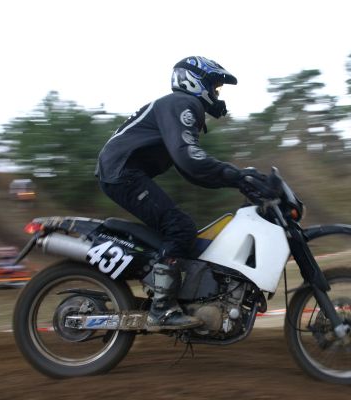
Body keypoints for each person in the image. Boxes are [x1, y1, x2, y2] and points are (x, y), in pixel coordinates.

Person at [95, 56, 264, 330]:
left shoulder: (178, 106)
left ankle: (171, 293)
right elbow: (190, 158)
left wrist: (237, 182)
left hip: (121, 172)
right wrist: (238, 175)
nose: (216, 94)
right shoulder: (183, 104)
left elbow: (192, 172)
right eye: (215, 87)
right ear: (195, 82)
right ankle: (162, 309)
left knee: (177, 228)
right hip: (122, 173)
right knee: (180, 228)